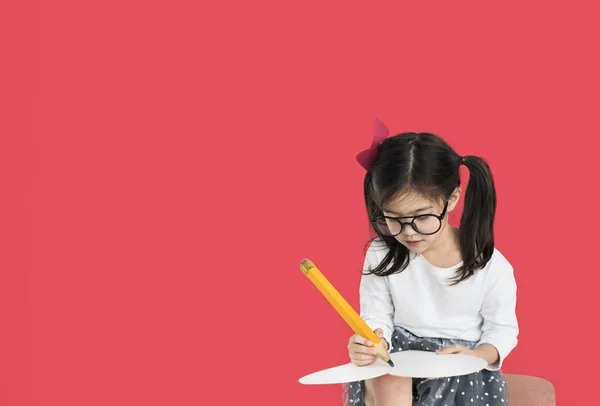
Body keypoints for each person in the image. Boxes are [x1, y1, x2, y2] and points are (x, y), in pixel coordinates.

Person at [344, 120, 518, 406]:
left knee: (451, 378)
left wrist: (478, 355)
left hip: (456, 366)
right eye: (394, 219)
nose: (409, 231)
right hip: (397, 358)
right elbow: (376, 314)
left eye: (422, 217)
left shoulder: (490, 265)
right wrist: (373, 342)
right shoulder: (382, 252)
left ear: (451, 200)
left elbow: (503, 329)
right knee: (386, 374)